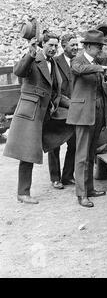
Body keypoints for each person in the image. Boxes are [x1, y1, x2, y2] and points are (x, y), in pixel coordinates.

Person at [4, 33, 73, 204]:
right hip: (31, 111)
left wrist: (74, 105)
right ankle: (23, 192)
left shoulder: (54, 62)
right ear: (42, 45)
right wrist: (30, 53)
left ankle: (59, 176)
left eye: (56, 45)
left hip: (46, 112)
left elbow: (56, 93)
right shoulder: (34, 57)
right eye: (50, 45)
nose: (53, 48)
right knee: (27, 152)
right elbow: (19, 71)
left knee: (70, 123)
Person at [66, 29, 107, 208]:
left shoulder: (96, 62)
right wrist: (100, 68)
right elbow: (78, 69)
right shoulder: (78, 60)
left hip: (97, 113)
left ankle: (90, 189)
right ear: (89, 46)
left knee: (91, 153)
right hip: (84, 114)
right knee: (82, 155)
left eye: (101, 46)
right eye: (98, 46)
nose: (100, 49)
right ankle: (81, 194)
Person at [48, 34, 78, 188]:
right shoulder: (55, 62)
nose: (75, 48)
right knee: (55, 144)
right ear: (64, 46)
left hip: (76, 109)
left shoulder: (78, 61)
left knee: (74, 143)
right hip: (59, 108)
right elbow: (52, 88)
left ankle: (68, 176)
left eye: (76, 45)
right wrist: (66, 102)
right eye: (72, 45)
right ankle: (55, 178)